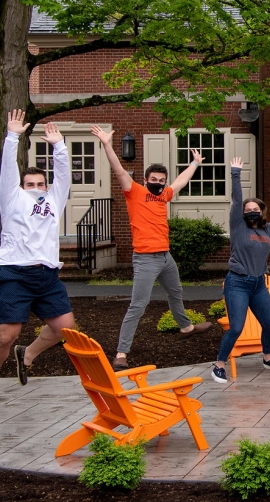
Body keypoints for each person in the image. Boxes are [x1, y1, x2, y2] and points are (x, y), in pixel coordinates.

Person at [0, 110, 77, 410]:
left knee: (65, 328)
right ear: (22, 187)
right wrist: (12, 137)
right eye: (30, 184)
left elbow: (64, 177)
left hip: (45, 276)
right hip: (12, 273)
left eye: (40, 184)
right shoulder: (11, 198)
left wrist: (59, 147)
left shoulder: (54, 200)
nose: (36, 188)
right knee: (7, 335)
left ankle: (29, 354)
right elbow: (8, 172)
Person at [91, 126, 213, 369]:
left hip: (165, 257)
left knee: (176, 292)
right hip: (145, 258)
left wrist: (195, 163)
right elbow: (118, 169)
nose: (158, 183)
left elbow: (180, 181)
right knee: (138, 304)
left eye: (161, 180)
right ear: (145, 180)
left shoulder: (164, 196)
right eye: (154, 180)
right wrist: (106, 144)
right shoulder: (134, 192)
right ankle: (121, 354)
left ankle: (186, 327)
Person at [210, 157, 270, 384]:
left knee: (269, 323)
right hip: (237, 283)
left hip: (258, 284)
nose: (251, 211)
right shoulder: (238, 226)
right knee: (237, 327)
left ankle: (267, 356)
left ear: (261, 211)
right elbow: (236, 199)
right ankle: (219, 365)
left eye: (255, 208)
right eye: (248, 209)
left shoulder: (269, 229)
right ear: (243, 213)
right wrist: (235, 173)